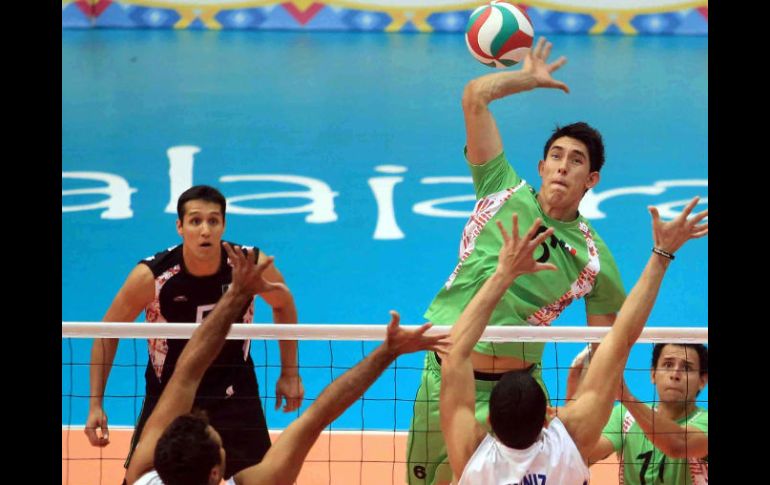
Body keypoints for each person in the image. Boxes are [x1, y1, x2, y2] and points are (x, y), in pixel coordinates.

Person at [407, 37, 626, 484]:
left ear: (592, 179)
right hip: (450, 377)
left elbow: (606, 352)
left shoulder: (594, 258)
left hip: (523, 395)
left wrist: (580, 410)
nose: (563, 166)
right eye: (557, 156)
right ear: (542, 167)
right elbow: (474, 98)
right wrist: (524, 80)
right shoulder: (501, 186)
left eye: (577, 161)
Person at [125, 242, 450, 485]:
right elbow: (316, 415)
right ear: (215, 473)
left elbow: (186, 373)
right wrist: (387, 352)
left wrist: (238, 293)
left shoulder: (141, 476)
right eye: (220, 445)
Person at [439, 196, 707, 484]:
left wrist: (503, 273)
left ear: (488, 421)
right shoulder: (571, 443)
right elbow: (621, 337)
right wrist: (661, 255)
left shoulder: (470, 458)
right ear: (546, 418)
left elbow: (455, 353)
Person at [86, 185, 304, 477]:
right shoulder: (153, 277)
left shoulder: (247, 266)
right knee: (142, 479)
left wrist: (290, 373)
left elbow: (283, 303)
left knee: (262, 479)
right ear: (180, 226)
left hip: (235, 393)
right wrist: (95, 403)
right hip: (170, 398)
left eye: (213, 221)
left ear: (224, 225)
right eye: (195, 221)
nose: (205, 230)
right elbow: (106, 332)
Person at [571, 343, 708, 484]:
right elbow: (582, 456)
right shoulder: (625, 416)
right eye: (668, 365)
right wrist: (577, 395)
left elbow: (678, 444)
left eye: (686, 368)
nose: (675, 374)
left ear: (702, 381)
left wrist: (626, 397)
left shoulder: (705, 421)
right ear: (653, 374)